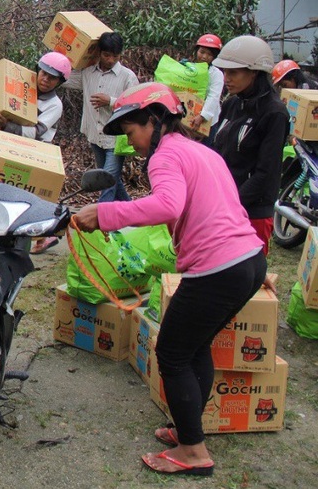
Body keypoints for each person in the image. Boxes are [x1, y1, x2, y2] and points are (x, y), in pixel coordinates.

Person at [72, 82, 269, 477]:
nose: (134, 145)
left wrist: (105, 214)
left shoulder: (164, 156)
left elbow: (167, 204)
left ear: (155, 120)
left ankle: (193, 452)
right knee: (196, 347)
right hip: (248, 261)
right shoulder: (200, 150)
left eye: (132, 134)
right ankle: (188, 429)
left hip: (217, 269)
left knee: (174, 353)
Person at [0, 51, 71, 253]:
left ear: (59, 82)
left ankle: (35, 239)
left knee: (27, 197)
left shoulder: (54, 105)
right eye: (43, 73)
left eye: (52, 78)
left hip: (33, 151)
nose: (45, 79)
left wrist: (5, 125)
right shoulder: (20, 87)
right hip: (8, 144)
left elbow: (37, 132)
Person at [212, 35, 289, 256]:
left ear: (254, 72)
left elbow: (266, 172)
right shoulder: (231, 104)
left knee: (248, 278)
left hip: (252, 211)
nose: (226, 78)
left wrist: (233, 203)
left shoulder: (274, 113)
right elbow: (219, 153)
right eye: (225, 72)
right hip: (224, 204)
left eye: (233, 72)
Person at [61, 31, 138, 202]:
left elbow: (136, 106)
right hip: (95, 136)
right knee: (112, 179)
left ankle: (101, 220)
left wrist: (110, 101)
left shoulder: (127, 77)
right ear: (99, 53)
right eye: (106, 55)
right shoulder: (87, 73)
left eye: (115, 56)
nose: (110, 60)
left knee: (106, 183)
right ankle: (131, 212)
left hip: (116, 139)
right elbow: (62, 78)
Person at [188, 34, 226, 145]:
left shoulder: (216, 74)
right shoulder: (189, 68)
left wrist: (203, 116)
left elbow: (213, 96)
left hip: (208, 121)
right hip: (189, 116)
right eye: (202, 52)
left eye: (209, 54)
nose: (204, 57)